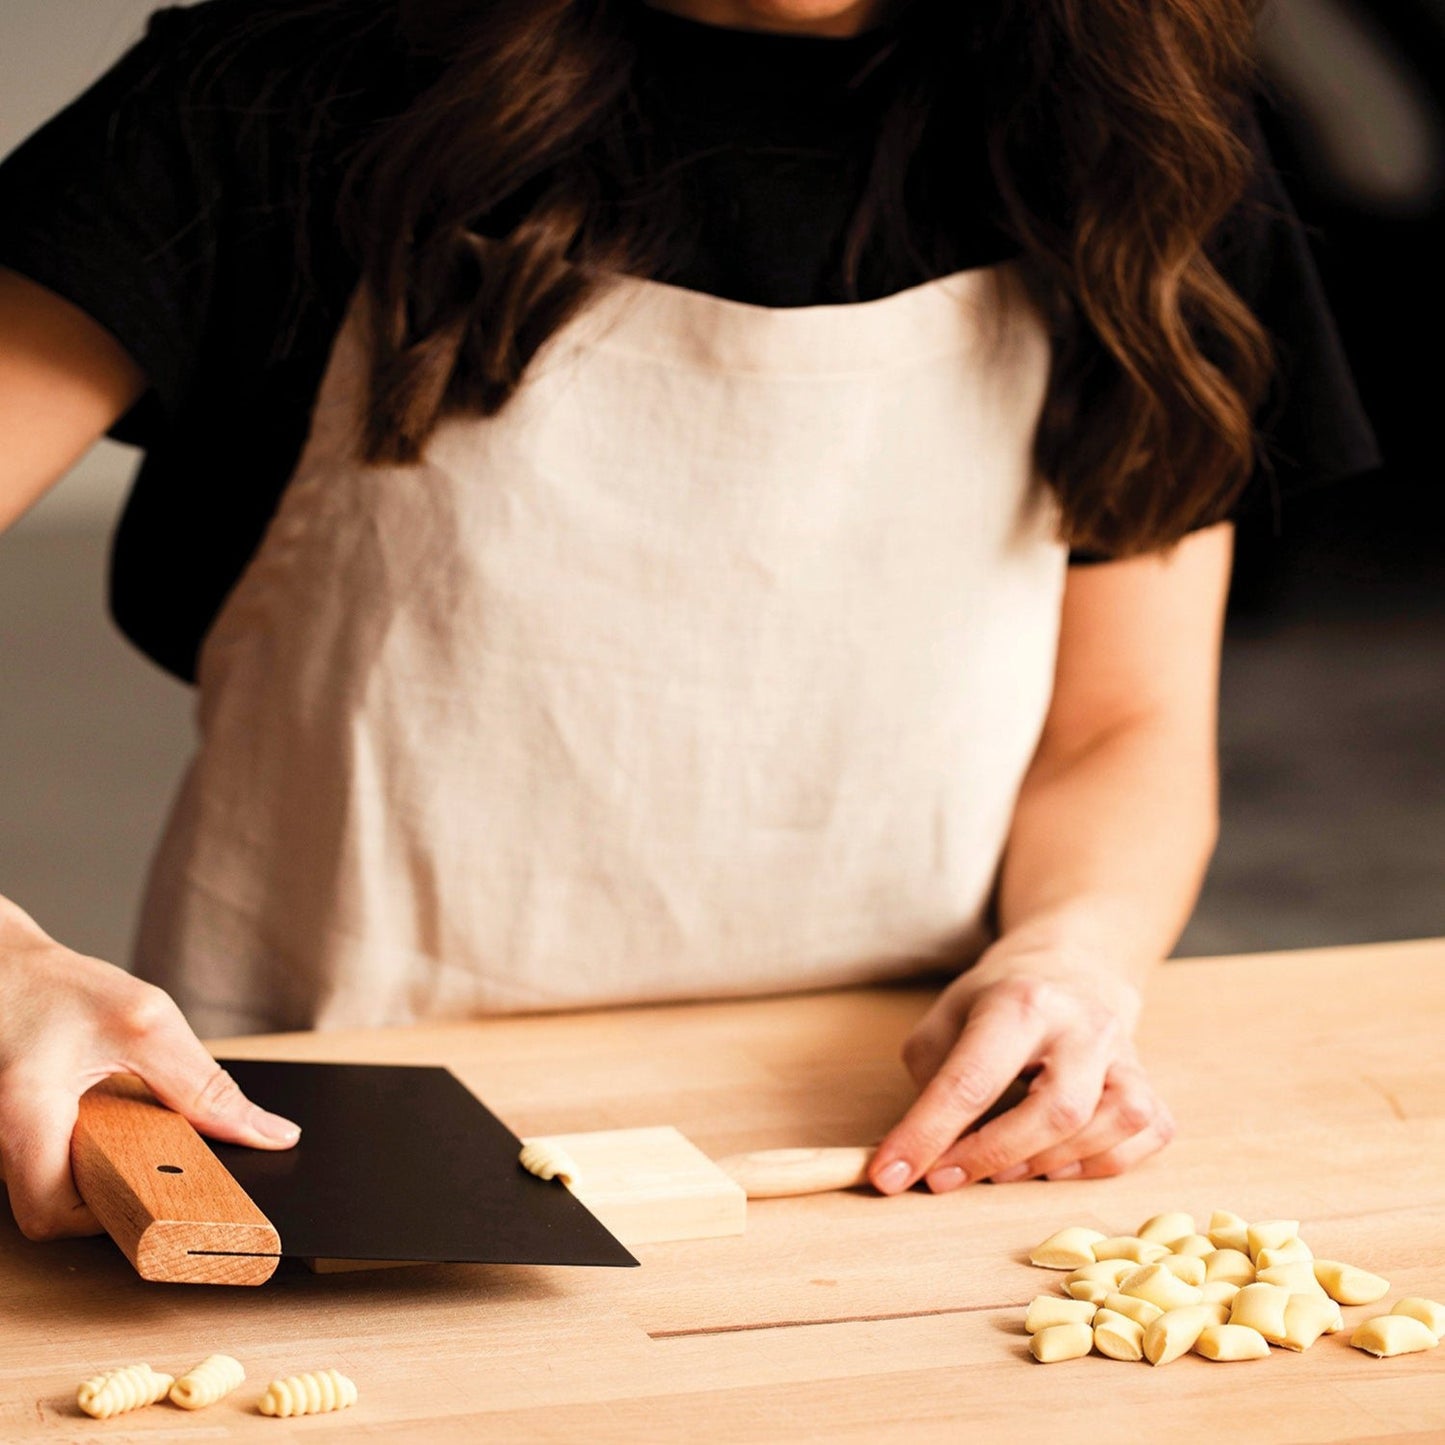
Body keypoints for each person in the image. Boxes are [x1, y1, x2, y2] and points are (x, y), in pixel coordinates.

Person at [0, 0, 1379, 1243]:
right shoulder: (271, 96)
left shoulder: (1145, 157)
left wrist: (1070, 954)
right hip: (310, 1146)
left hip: (880, 1159)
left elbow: (1116, 730)